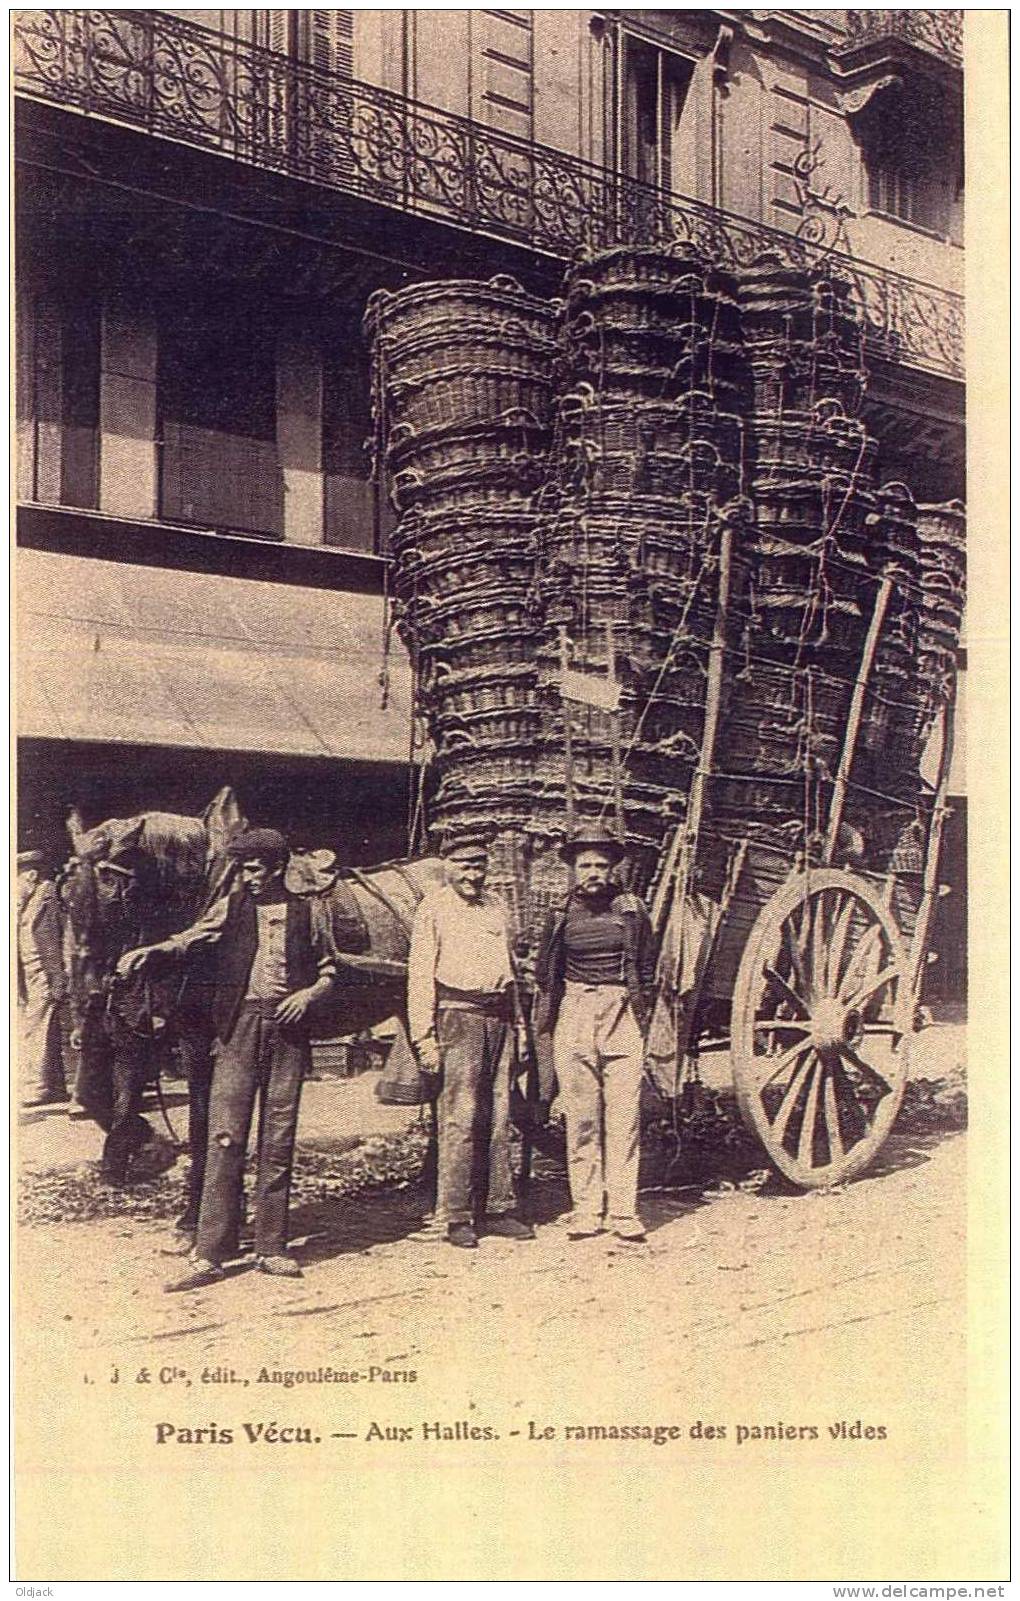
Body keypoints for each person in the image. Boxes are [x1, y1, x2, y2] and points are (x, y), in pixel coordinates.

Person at [117, 828, 337, 1290]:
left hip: (288, 1032)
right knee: (224, 1137)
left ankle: (271, 1248)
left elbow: (329, 969)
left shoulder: (307, 910)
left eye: (254, 868)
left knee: (279, 1137)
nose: (247, 877)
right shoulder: (233, 907)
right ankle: (210, 1252)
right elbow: (191, 938)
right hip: (238, 1028)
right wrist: (148, 951)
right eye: (242, 868)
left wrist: (308, 996)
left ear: (276, 868)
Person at [407, 829, 534, 1249]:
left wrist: (519, 1030)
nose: (472, 874)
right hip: (456, 1019)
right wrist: (424, 1039)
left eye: (479, 865)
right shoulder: (433, 909)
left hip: (497, 1017)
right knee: (460, 1119)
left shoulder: (496, 907)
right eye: (464, 865)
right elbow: (420, 978)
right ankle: (456, 1215)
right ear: (446, 867)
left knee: (499, 1117)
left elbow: (510, 974)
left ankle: (499, 1207)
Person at [533, 824, 656, 1243]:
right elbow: (544, 972)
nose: (593, 873)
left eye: (601, 865)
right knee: (582, 1118)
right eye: (585, 865)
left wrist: (637, 1009)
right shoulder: (558, 914)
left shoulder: (632, 911)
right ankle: (586, 1210)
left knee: (624, 1118)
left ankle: (623, 1211)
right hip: (575, 1011)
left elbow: (648, 964)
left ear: (612, 868)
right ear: (572, 869)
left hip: (621, 1010)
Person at [17, 849, 69, 1108]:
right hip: (32, 975)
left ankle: (39, 1086)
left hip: (46, 974)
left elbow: (63, 939)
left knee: (37, 1029)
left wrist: (60, 977)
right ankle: (55, 1086)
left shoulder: (48, 897)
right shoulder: (26, 901)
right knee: (45, 1028)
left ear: (31, 875)